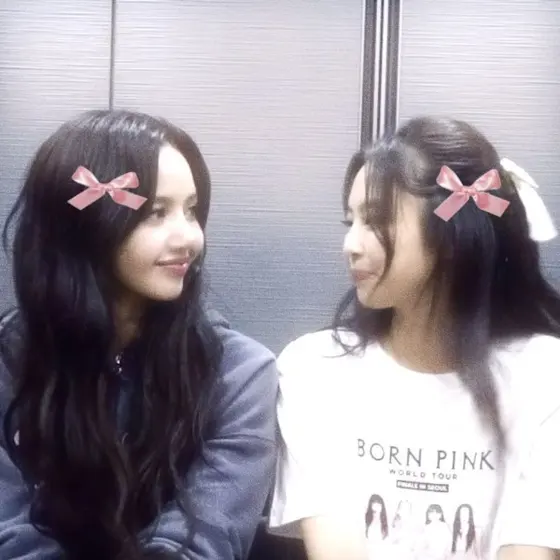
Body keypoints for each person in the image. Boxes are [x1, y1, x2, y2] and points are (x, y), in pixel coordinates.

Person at [268, 116, 560, 560]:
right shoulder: (314, 370)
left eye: (375, 221)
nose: (350, 244)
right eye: (350, 221)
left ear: (451, 235)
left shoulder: (544, 376)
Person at [0, 110, 278, 560]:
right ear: (88, 225)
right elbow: (10, 536)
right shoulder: (10, 361)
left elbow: (203, 540)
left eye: (191, 210)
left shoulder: (239, 373)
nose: (188, 238)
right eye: (156, 213)